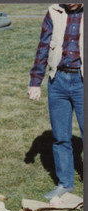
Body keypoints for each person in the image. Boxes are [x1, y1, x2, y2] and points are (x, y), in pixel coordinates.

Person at [28, 3, 83, 200]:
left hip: (82, 81)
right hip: (57, 80)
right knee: (61, 137)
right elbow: (43, 47)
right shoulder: (53, 12)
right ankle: (65, 183)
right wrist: (35, 82)